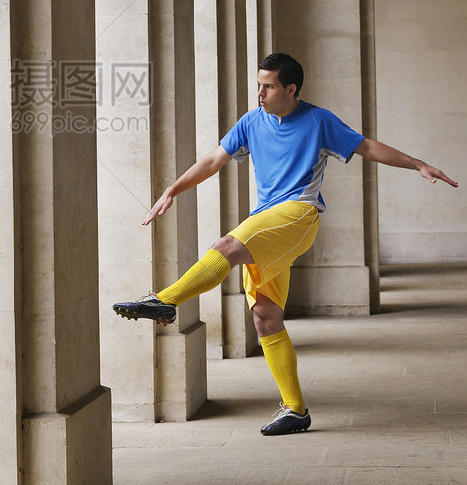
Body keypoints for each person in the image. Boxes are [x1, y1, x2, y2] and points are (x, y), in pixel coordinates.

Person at [113, 52, 458, 435]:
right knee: (264, 316)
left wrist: (418, 164)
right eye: (258, 84)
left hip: (298, 214)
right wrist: (173, 189)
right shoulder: (251, 121)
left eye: (268, 86)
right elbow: (213, 160)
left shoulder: (318, 120)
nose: (259, 92)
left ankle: (165, 302)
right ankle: (296, 410)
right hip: (268, 223)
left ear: (290, 89)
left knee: (227, 246)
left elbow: (368, 147)